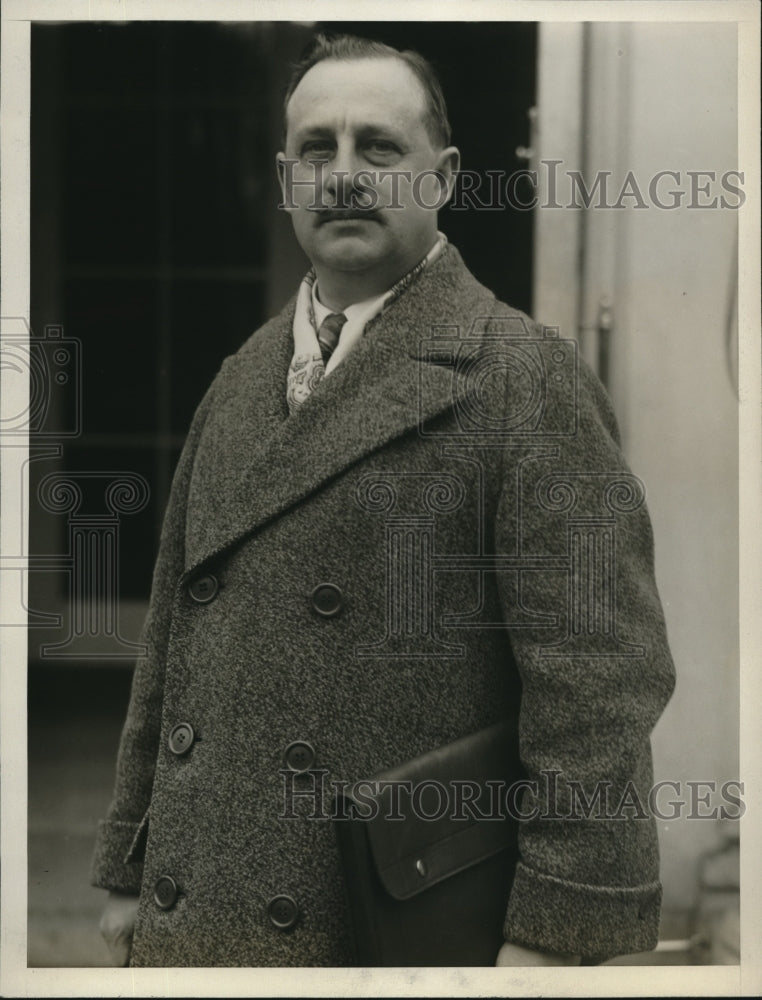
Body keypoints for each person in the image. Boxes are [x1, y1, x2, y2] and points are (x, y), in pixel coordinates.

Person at [92, 33, 676, 968]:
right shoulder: (240, 378)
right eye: (316, 150)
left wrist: (554, 936)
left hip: (390, 925)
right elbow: (170, 641)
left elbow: (599, 692)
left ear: (442, 176)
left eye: (379, 147)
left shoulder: (522, 381)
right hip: (196, 908)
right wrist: (130, 859)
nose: (344, 176)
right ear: (287, 181)